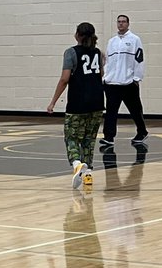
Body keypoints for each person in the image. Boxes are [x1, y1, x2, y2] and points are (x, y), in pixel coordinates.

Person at [47, 22, 105, 189]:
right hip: (97, 101)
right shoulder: (98, 53)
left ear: (78, 35)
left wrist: (53, 102)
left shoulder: (71, 52)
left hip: (78, 102)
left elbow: (65, 79)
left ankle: (77, 164)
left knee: (72, 137)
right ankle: (87, 175)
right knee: (89, 140)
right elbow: (100, 74)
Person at [101, 14, 148, 150]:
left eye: (123, 22)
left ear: (128, 24)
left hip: (128, 83)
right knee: (111, 111)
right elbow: (108, 61)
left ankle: (142, 131)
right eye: (119, 22)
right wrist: (105, 77)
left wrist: (136, 78)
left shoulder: (134, 40)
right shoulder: (112, 41)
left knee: (135, 110)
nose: (121, 24)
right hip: (112, 83)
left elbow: (139, 60)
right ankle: (108, 137)